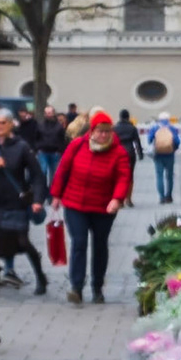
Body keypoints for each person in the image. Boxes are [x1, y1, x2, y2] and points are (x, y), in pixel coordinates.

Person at [50, 111, 132, 305]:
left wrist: (117, 199)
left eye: (107, 132)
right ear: (92, 131)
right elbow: (63, 169)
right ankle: (76, 287)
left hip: (103, 207)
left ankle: (97, 287)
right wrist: (56, 194)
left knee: (99, 244)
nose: (103, 135)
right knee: (79, 243)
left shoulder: (118, 152)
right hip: (75, 204)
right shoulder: (77, 145)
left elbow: (123, 177)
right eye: (100, 131)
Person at [0, 108, 47, 294]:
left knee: (24, 242)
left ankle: (41, 278)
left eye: (3, 122)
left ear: (11, 124)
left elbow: (37, 175)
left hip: (17, 203)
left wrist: (38, 200)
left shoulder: (21, 147)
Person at [144, 111, 181, 204]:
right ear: (168, 119)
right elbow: (177, 141)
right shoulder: (172, 128)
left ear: (159, 119)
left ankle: (161, 197)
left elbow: (149, 140)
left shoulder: (155, 128)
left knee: (159, 176)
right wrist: (173, 149)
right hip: (170, 155)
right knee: (169, 176)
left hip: (158, 155)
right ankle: (169, 196)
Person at [113, 109, 142, 207]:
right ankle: (128, 199)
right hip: (130, 153)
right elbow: (137, 142)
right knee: (130, 177)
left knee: (118, 176)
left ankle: (119, 200)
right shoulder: (132, 128)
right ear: (128, 117)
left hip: (117, 153)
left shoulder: (115, 128)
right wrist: (140, 153)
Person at [35, 105, 68, 183]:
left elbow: (62, 139)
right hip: (43, 151)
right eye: (46, 113)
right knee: (43, 171)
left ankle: (51, 191)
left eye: (49, 113)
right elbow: (36, 137)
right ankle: (43, 190)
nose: (48, 115)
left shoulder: (59, 126)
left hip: (55, 152)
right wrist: (37, 148)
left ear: (53, 113)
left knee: (54, 174)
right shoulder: (40, 125)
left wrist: (60, 150)